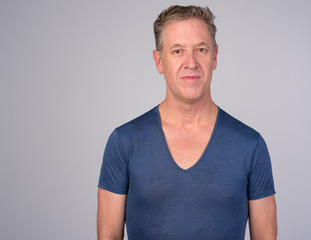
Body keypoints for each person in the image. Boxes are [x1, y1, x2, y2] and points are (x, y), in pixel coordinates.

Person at [97, 5, 277, 240]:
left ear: (215, 56)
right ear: (159, 60)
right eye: (177, 51)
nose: (191, 62)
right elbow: (108, 235)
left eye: (201, 49)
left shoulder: (250, 145)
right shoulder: (124, 142)